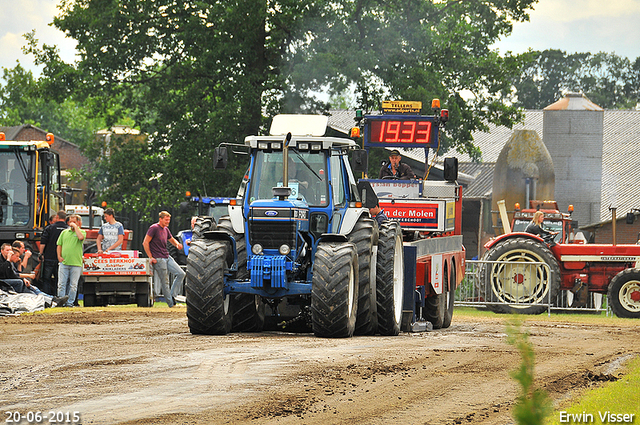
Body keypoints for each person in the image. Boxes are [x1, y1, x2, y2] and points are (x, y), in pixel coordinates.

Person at [0, 244, 67, 307]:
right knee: (21, 284)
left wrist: (23, 278)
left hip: (10, 280)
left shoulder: (9, 262)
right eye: (7, 250)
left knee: (32, 288)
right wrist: (9, 260)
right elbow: (3, 272)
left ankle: (52, 300)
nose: (9, 252)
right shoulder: (6, 260)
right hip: (2, 282)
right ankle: (49, 301)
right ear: (2, 251)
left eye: (10, 250)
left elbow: (13, 274)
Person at [142, 211, 186, 307]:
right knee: (165, 282)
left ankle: (172, 296)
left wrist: (177, 244)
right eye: (166, 220)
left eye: (168, 220)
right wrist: (150, 257)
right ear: (160, 219)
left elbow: (171, 239)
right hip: (158, 258)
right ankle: (171, 304)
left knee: (181, 273)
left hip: (166, 256)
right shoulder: (153, 228)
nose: (167, 222)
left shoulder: (166, 229)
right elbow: (145, 242)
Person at [56, 214, 86, 307]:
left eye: (74, 221)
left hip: (76, 263)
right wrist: (59, 256)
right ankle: (61, 301)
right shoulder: (64, 232)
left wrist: (76, 227)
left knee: (73, 285)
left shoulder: (82, 232)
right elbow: (59, 245)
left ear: (79, 223)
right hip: (64, 262)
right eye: (70, 221)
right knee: (61, 283)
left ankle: (70, 303)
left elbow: (81, 237)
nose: (71, 223)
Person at [39, 211, 69, 296]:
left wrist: (41, 254)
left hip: (49, 257)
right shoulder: (68, 229)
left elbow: (43, 242)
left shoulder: (49, 228)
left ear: (57, 217)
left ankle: (46, 297)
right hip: (62, 258)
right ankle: (58, 296)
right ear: (65, 218)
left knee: (46, 279)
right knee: (59, 280)